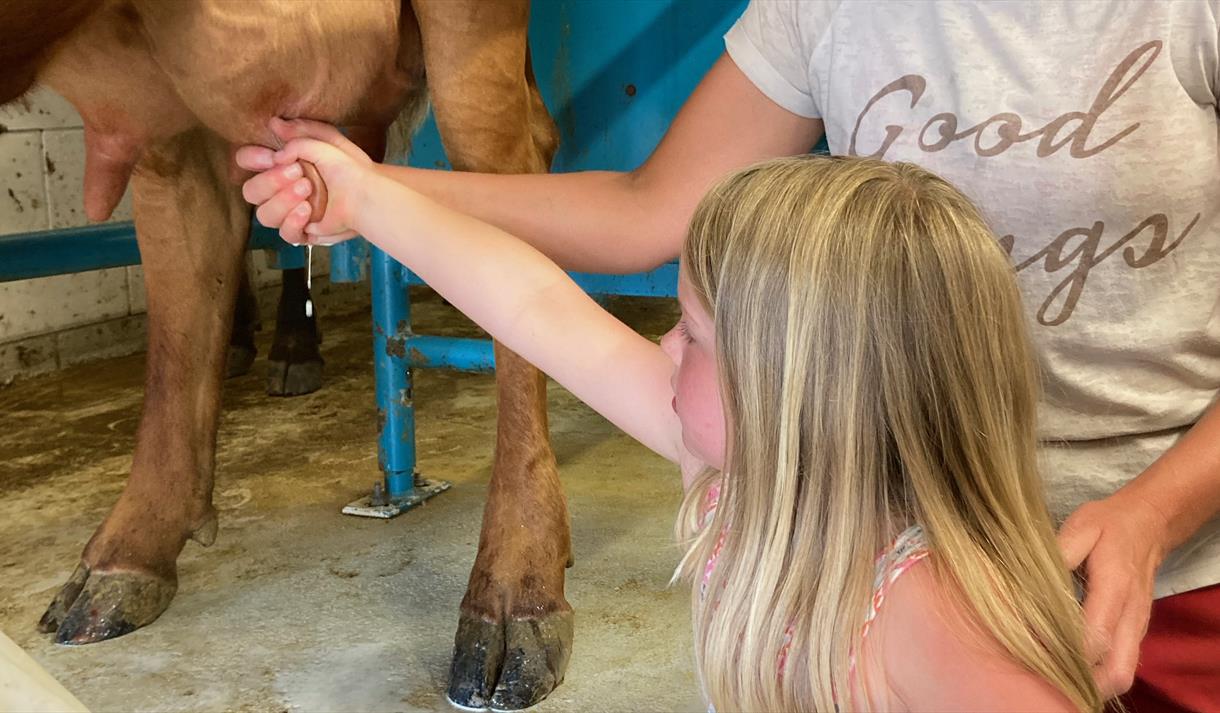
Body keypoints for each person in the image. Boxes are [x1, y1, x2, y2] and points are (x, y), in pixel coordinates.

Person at [240, 3, 1220, 708]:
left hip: (1159, 587)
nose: (664, 343)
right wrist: (366, 197)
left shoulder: (941, 622)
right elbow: (533, 296)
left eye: (697, 334)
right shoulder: (737, 486)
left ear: (803, 392)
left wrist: (1150, 510)